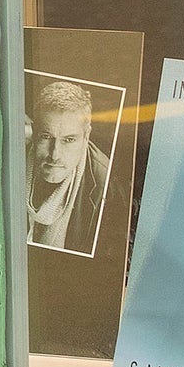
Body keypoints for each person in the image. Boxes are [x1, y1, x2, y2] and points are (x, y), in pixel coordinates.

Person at [25, 79, 111, 255]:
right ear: (34, 132)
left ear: (86, 136)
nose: (55, 154)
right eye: (46, 137)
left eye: (69, 140)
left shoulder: (106, 184)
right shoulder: (12, 155)